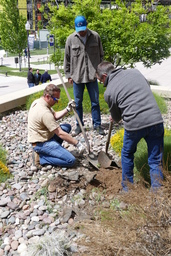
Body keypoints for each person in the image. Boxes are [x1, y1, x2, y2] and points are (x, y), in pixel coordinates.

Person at [96, 61, 164, 192]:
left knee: (127, 154)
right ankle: (158, 193)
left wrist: (115, 116)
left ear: (104, 76)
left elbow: (116, 118)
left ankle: (128, 189)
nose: (102, 84)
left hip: (134, 125)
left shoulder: (109, 92)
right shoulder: (135, 72)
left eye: (100, 81)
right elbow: (146, 87)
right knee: (155, 159)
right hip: (155, 119)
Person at [64, 15, 104, 136]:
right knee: (77, 103)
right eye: (79, 30)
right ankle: (79, 126)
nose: (81, 32)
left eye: (83, 29)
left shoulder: (95, 37)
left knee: (95, 102)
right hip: (77, 77)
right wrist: (68, 75)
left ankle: (97, 125)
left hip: (92, 76)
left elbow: (101, 55)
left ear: (87, 25)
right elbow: (67, 58)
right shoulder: (70, 39)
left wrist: (100, 73)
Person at [28, 84, 85, 168]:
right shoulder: (44, 112)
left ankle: (54, 151)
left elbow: (54, 116)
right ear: (47, 96)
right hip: (42, 143)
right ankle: (41, 158)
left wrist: (67, 109)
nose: (57, 101)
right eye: (55, 99)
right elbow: (60, 133)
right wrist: (77, 144)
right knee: (71, 161)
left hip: (45, 136)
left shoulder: (40, 101)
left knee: (66, 127)